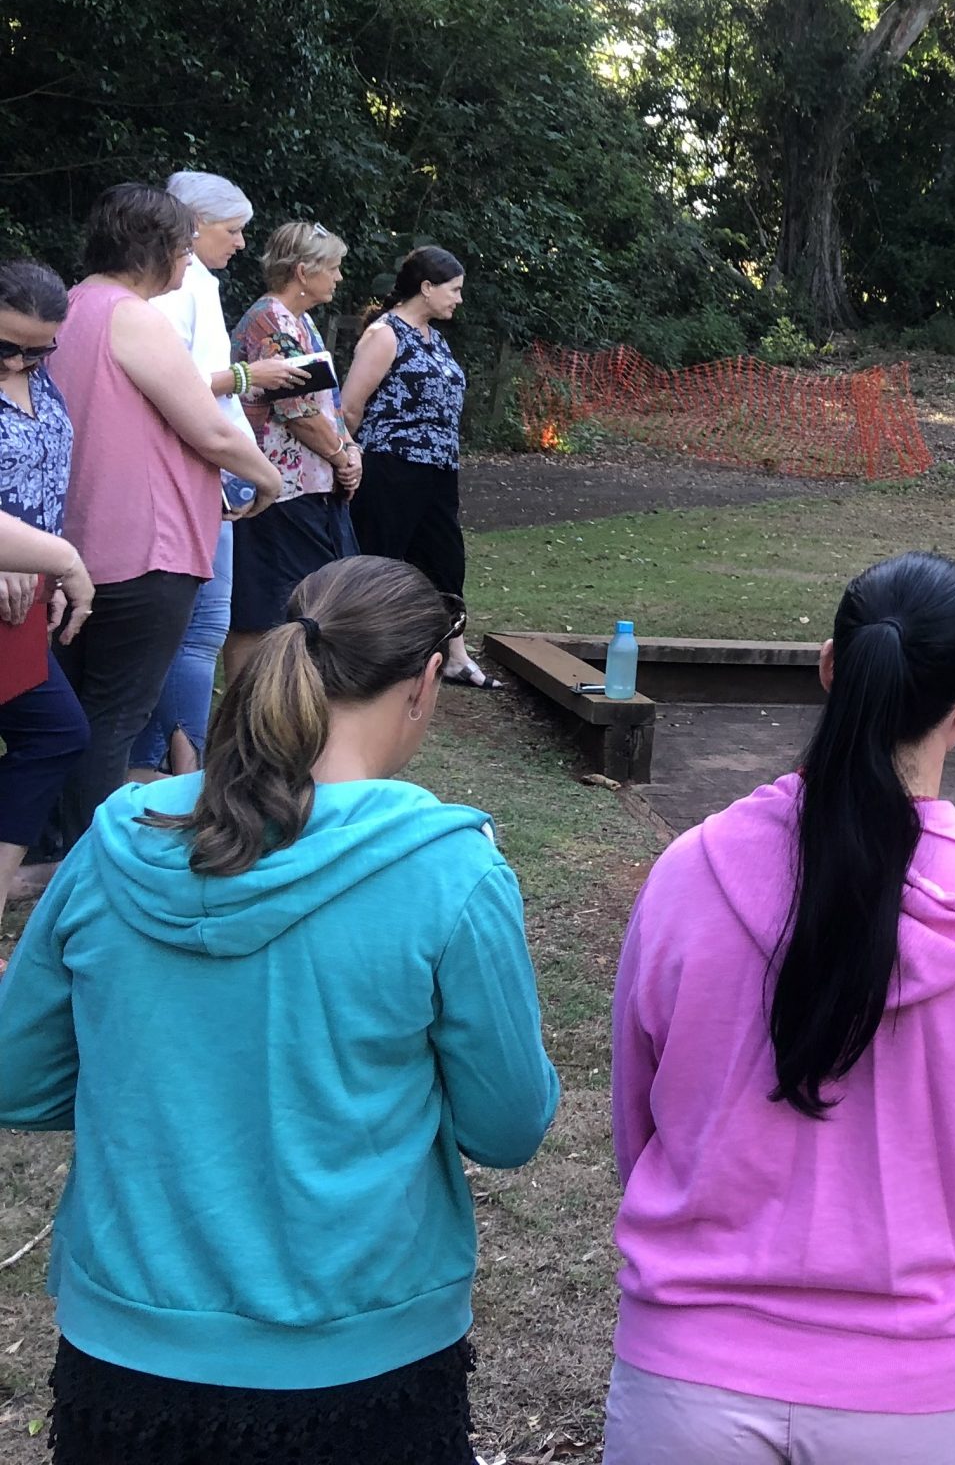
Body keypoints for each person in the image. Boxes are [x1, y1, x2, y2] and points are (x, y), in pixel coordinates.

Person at [0, 555, 558, 1462]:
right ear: (423, 682)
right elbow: (507, 1127)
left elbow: (16, 1077)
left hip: (125, 1360)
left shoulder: (117, 843)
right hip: (366, 1367)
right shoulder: (449, 871)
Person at [606, 553, 955, 1464]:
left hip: (687, 1384)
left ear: (829, 667)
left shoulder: (689, 875)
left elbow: (641, 1125)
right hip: (926, 1395)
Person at [44, 184, 281, 868]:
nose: (189, 265)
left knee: (77, 713)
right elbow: (208, 425)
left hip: (76, 547)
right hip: (146, 548)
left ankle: (51, 841)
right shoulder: (133, 316)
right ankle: (82, 860)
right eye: (184, 250)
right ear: (157, 251)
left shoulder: (66, 306)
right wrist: (265, 478)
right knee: (113, 715)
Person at [128, 171, 307, 776]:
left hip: (207, 467)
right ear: (193, 226)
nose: (240, 244)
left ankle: (175, 759)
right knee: (199, 630)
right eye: (232, 231)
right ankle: (176, 765)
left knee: (200, 628)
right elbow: (176, 383)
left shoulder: (195, 282)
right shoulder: (182, 286)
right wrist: (253, 378)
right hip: (199, 470)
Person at [224, 221, 361, 683]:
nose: (339, 277)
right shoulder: (272, 321)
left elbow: (325, 403)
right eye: (334, 268)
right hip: (278, 493)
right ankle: (249, 713)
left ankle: (285, 706)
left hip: (307, 488)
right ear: (303, 271)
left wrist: (348, 450)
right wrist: (342, 457)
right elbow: (297, 411)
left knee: (308, 602)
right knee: (264, 610)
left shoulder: (296, 321)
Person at [344, 246, 488, 686]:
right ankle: (362, 654)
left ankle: (455, 654)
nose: (459, 299)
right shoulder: (386, 334)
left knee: (446, 559)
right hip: (391, 467)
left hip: (438, 470)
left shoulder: (433, 336)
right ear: (426, 288)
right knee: (380, 559)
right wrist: (352, 456)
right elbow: (350, 407)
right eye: (454, 290)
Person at [0, 261, 95, 906]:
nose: (17, 363)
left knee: (56, 733)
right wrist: (49, 556)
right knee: (53, 730)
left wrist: (43, 563)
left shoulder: (46, 383)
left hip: (24, 599)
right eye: (5, 345)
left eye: (37, 350)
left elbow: (46, 479)